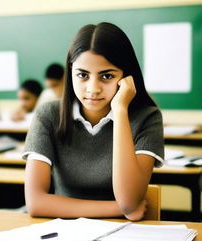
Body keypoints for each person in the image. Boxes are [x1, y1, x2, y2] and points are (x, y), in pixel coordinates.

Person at [23, 22, 164, 221]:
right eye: (82, 75)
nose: (93, 88)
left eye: (107, 76)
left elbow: (129, 200)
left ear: (126, 76)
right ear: (70, 71)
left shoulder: (147, 117)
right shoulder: (48, 114)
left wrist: (121, 110)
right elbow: (36, 203)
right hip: (63, 232)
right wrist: (118, 209)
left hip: (124, 238)